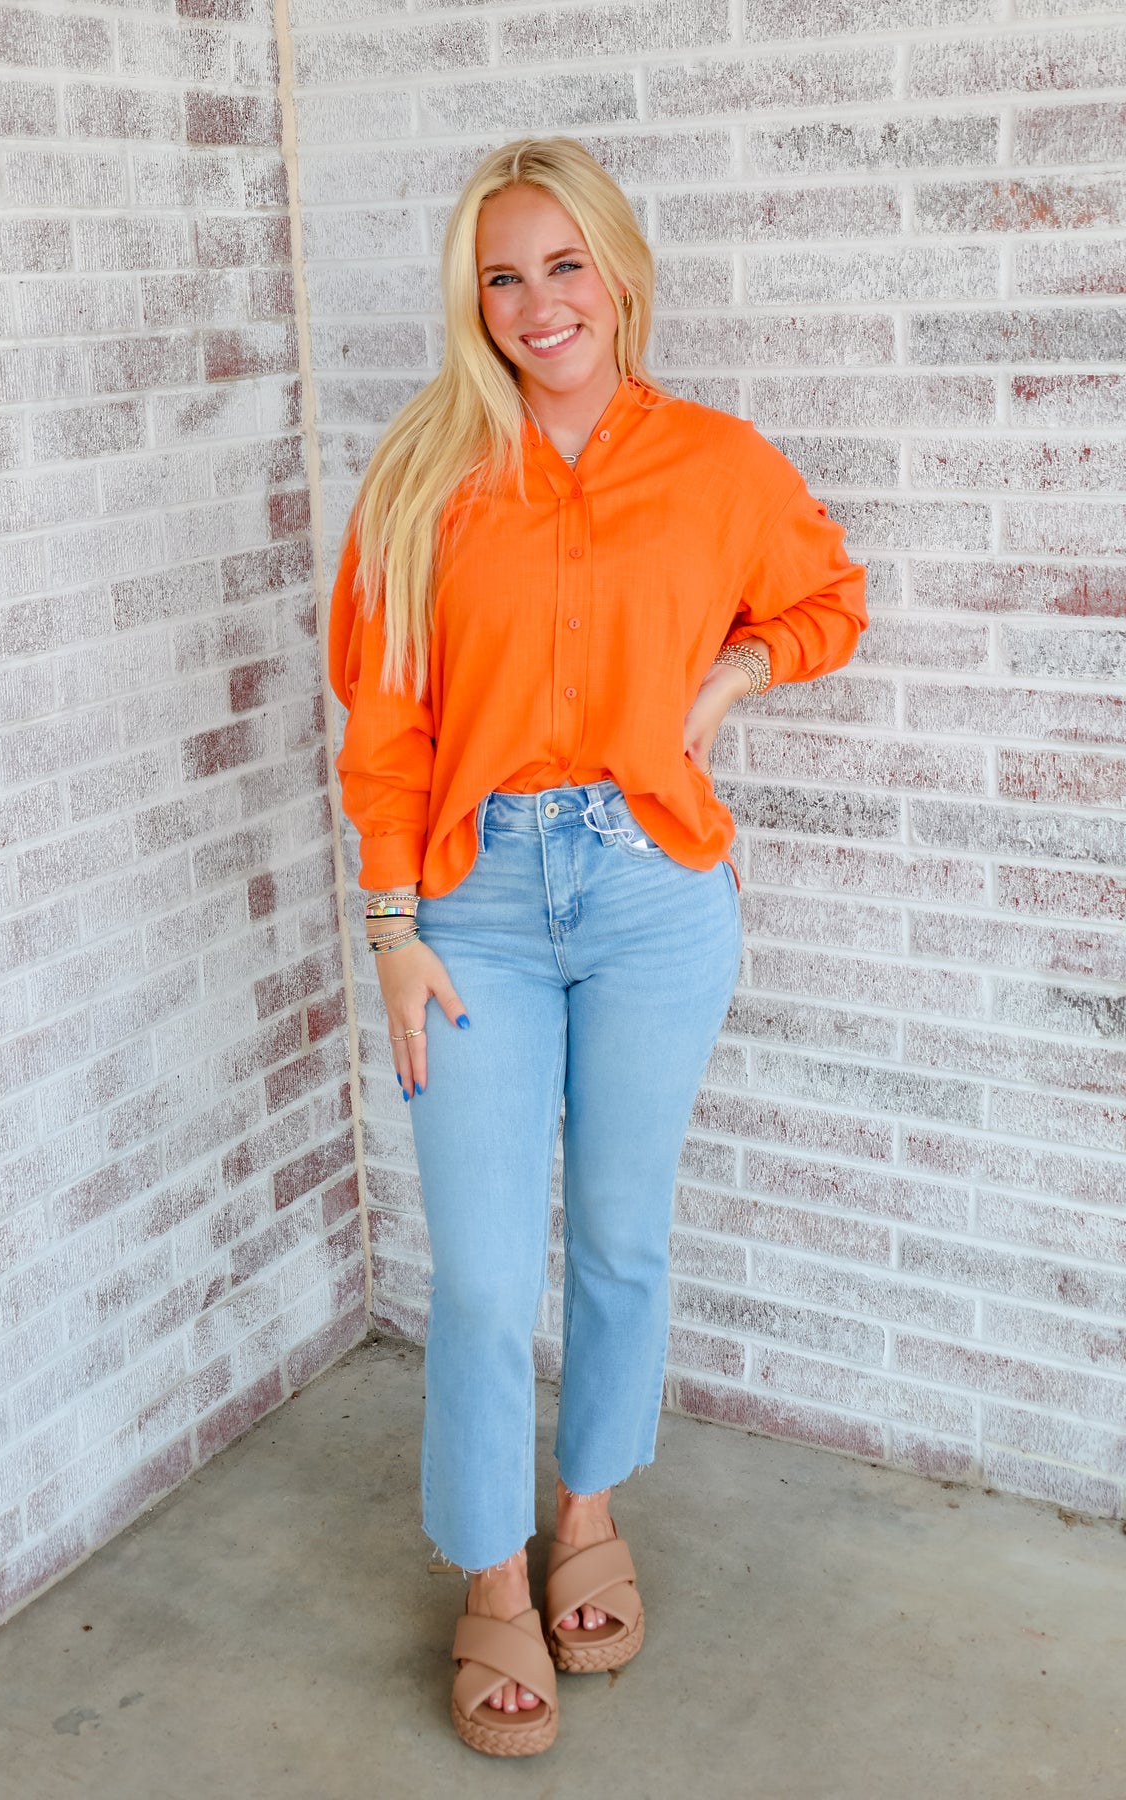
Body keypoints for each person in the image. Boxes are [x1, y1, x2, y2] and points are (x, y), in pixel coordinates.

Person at [324, 136, 867, 1759]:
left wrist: (733, 677)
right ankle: (491, 1571)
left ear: (620, 275)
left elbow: (830, 598)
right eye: (503, 275)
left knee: (623, 1236)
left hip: (653, 898)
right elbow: (385, 726)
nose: (537, 302)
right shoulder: (423, 474)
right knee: (489, 1275)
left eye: (565, 264)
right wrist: (390, 926)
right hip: (473, 908)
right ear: (473, 300)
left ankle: (587, 1512)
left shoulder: (717, 463)